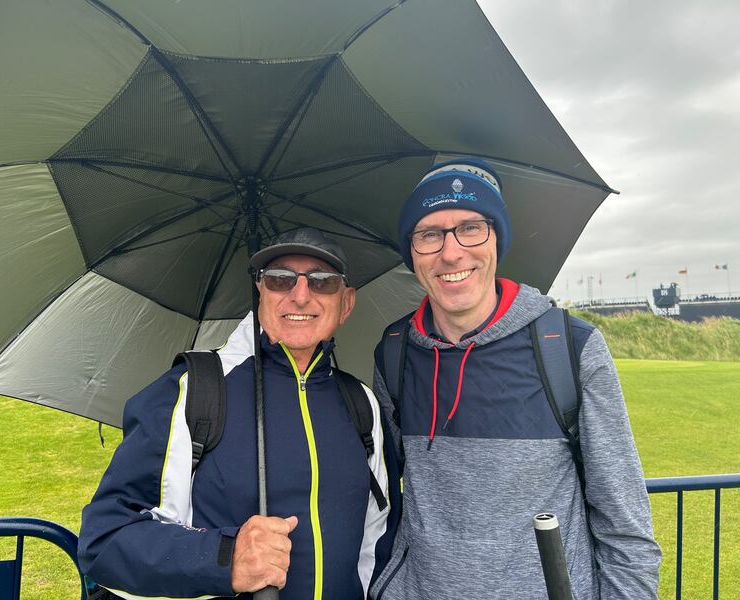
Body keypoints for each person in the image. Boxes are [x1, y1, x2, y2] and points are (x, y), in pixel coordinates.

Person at [368, 159, 661, 599]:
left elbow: (626, 529)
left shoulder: (568, 346)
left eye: (470, 228)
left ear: (497, 239)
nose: (450, 253)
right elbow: (382, 501)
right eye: (429, 234)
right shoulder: (395, 351)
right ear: (411, 252)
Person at [78, 227, 400, 600]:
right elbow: (107, 539)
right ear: (259, 292)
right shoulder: (192, 391)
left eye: (322, 281)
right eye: (279, 279)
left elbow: (378, 542)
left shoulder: (362, 404)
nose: (299, 295)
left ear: (346, 303)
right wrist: (226, 559)